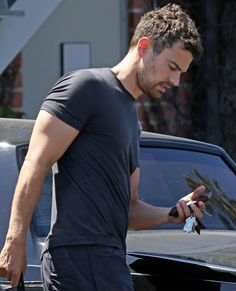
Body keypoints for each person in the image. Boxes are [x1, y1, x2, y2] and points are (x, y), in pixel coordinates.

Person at [0, 3, 205, 291]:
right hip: (75, 258)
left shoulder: (132, 124)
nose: (175, 81)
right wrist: (14, 240)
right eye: (172, 67)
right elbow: (37, 161)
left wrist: (173, 213)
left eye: (181, 73)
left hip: (110, 261)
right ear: (144, 46)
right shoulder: (85, 87)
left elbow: (129, 208)